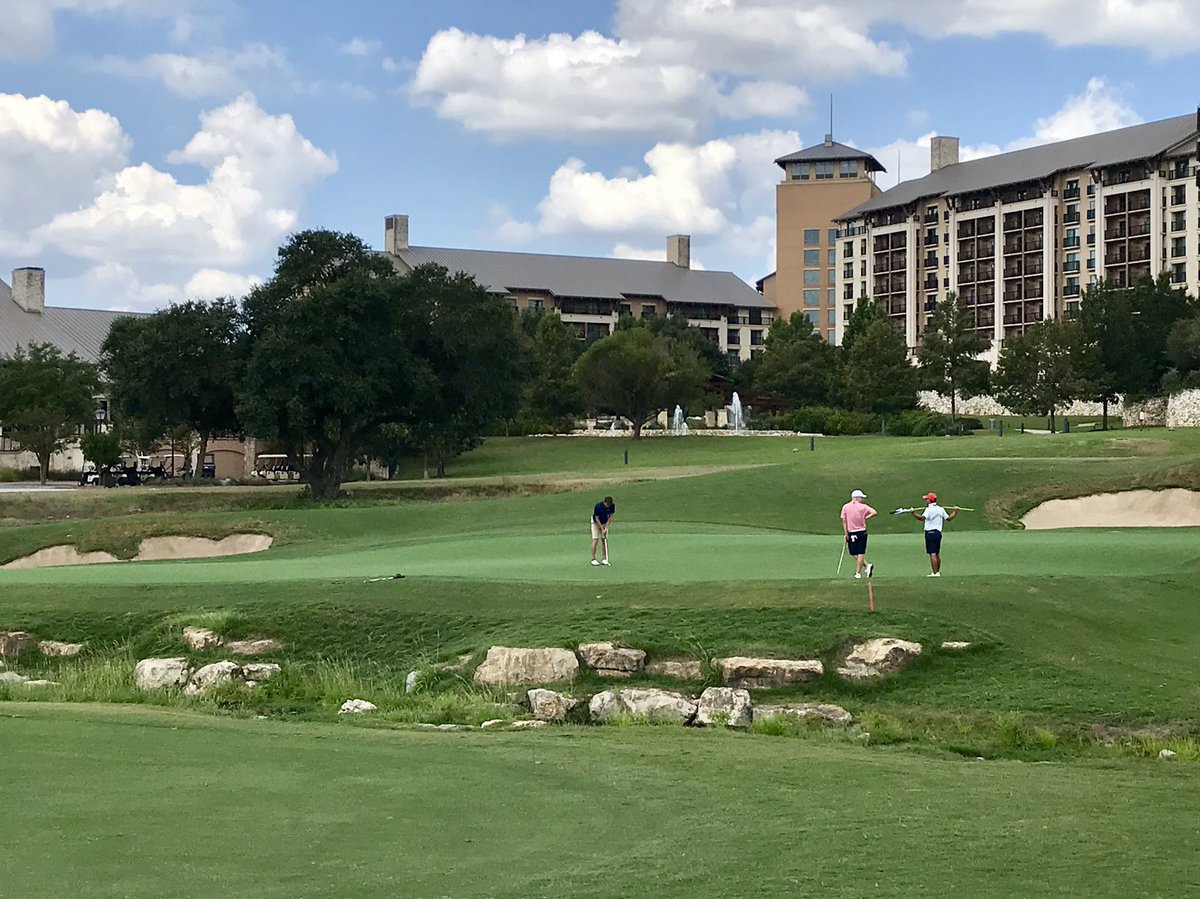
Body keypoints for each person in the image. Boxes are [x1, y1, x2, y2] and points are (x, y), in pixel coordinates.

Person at [910, 492, 957, 577]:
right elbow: (949, 518)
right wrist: (955, 511)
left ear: (930, 500)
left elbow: (922, 518)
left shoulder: (928, 510)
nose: (926, 500)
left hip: (930, 533)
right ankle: (937, 572)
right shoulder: (941, 509)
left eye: (927, 499)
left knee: (932, 553)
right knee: (937, 553)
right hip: (938, 533)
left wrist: (913, 514)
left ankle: (935, 573)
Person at [839, 489, 876, 579]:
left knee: (857, 552)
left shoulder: (845, 507)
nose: (862, 499)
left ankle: (858, 573)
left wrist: (846, 533)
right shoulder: (863, 507)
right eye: (861, 497)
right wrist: (865, 518)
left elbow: (844, 521)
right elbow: (874, 512)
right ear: (856, 497)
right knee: (858, 552)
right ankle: (867, 566)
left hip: (852, 532)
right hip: (861, 531)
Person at [591, 496, 615, 566]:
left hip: (604, 523)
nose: (608, 506)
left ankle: (604, 558)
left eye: (609, 505)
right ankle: (593, 559)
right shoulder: (598, 506)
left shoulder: (612, 506)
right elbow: (597, 518)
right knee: (595, 539)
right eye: (607, 505)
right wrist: (602, 528)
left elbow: (610, 517)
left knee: (604, 539)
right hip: (595, 523)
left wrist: (606, 527)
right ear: (604, 502)